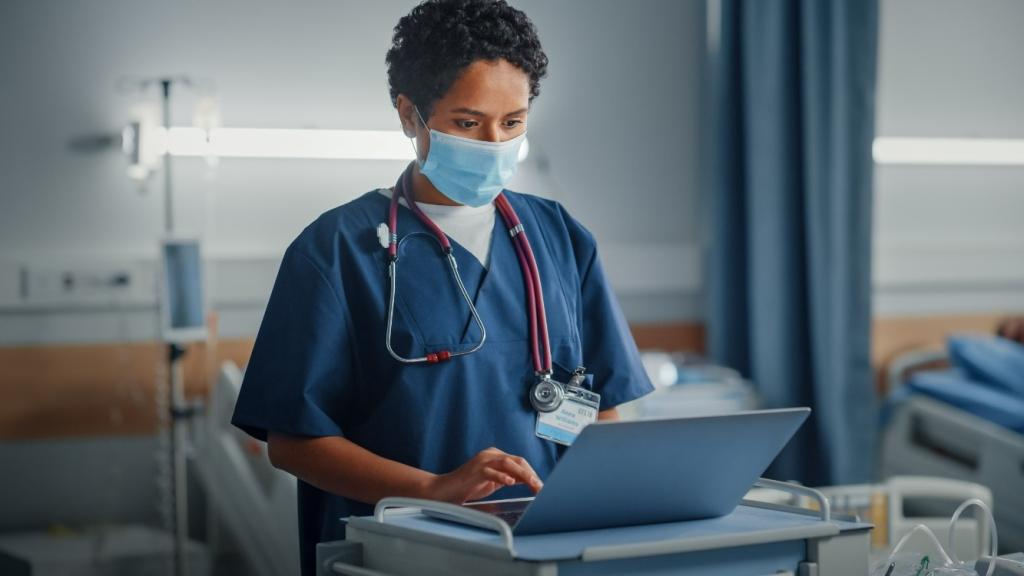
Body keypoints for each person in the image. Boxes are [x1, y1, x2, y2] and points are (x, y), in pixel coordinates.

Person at [231, 1, 654, 573]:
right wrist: (433, 488)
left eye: (513, 122)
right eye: (466, 122)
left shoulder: (559, 238)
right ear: (411, 116)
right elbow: (291, 441)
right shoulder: (334, 251)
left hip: (541, 553)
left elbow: (601, 411)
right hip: (399, 552)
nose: (493, 143)